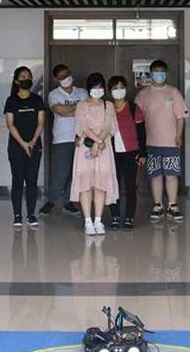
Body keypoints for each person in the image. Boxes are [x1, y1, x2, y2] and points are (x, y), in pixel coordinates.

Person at [134, 60, 188, 221]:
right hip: (150, 142)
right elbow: (137, 120)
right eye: (156, 71)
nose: (159, 74)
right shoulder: (142, 95)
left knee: (172, 175)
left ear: (166, 73)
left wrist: (179, 136)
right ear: (151, 74)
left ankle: (172, 205)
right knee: (155, 175)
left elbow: (181, 117)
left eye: (162, 71)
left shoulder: (173, 92)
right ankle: (157, 205)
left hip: (171, 141)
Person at [70, 73, 119, 235]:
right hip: (86, 146)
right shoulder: (82, 105)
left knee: (101, 183)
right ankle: (87, 221)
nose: (97, 90)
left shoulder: (108, 105)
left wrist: (99, 142)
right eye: (94, 87)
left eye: (100, 87)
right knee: (86, 184)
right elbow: (82, 126)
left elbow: (109, 125)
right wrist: (97, 141)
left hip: (103, 147)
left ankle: (98, 220)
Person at [41, 64, 87, 217]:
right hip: (62, 138)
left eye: (67, 74)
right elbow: (59, 111)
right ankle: (51, 200)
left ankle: (68, 202)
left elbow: (87, 111)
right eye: (61, 77)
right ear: (56, 79)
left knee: (76, 173)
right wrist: (79, 107)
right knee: (61, 173)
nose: (66, 78)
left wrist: (70, 110)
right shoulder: (53, 94)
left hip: (82, 138)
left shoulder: (82, 92)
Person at [4, 66, 46, 227]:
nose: (26, 79)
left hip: (35, 145)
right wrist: (23, 143)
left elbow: (41, 122)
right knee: (17, 180)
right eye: (22, 76)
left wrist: (33, 141)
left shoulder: (37, 100)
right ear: (16, 81)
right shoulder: (11, 100)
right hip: (16, 146)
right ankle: (17, 215)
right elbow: (10, 124)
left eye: (28, 76)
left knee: (32, 181)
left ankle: (31, 215)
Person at [108, 75, 146, 230]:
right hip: (111, 153)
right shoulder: (107, 108)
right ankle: (115, 216)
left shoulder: (133, 108)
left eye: (121, 87)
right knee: (113, 185)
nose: (119, 91)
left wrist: (143, 153)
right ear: (110, 91)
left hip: (131, 151)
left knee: (130, 186)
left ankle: (129, 217)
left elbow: (142, 132)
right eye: (115, 88)